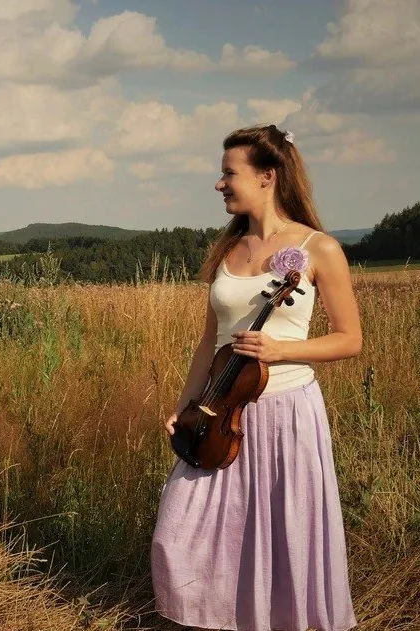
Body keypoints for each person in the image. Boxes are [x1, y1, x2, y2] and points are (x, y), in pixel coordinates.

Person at [152, 125, 362, 631]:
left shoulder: (320, 248)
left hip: (289, 412)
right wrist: (185, 408)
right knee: (176, 533)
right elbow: (210, 343)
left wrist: (281, 348)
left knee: (284, 532)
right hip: (221, 411)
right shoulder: (228, 251)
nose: (219, 184)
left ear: (267, 176)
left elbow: (349, 338)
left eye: (229, 173)